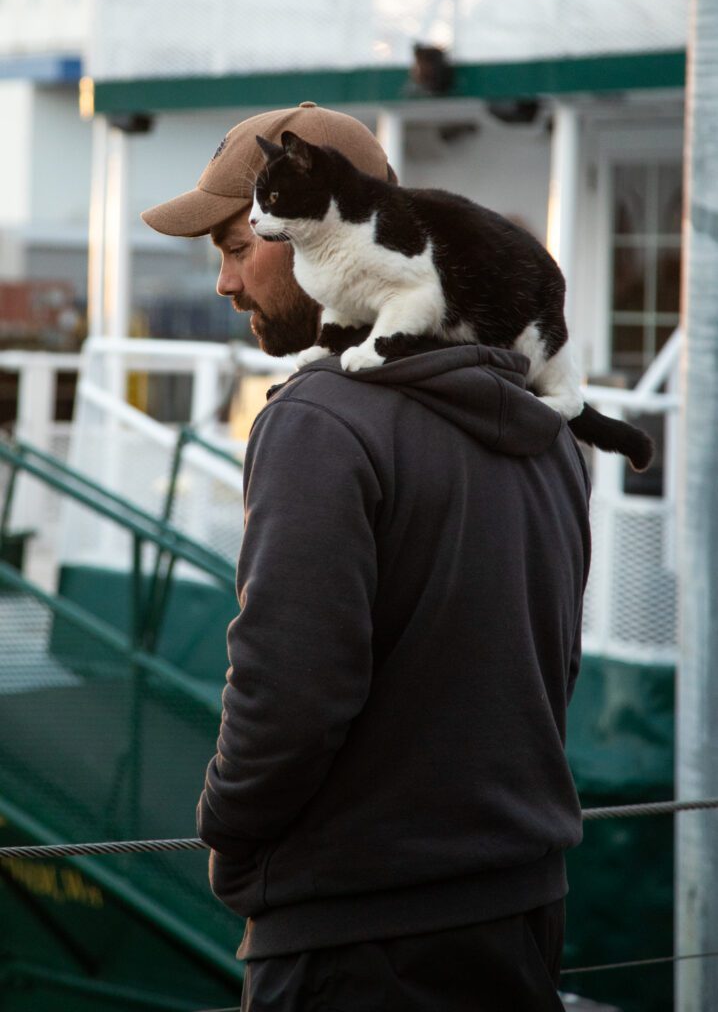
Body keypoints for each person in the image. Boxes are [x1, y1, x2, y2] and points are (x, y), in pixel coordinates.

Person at [142, 102, 591, 1012]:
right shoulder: (551, 432)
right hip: (523, 913)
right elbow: (555, 664)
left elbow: (290, 691)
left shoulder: (319, 423)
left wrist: (226, 831)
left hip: (354, 937)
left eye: (237, 246)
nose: (226, 281)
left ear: (328, 220)